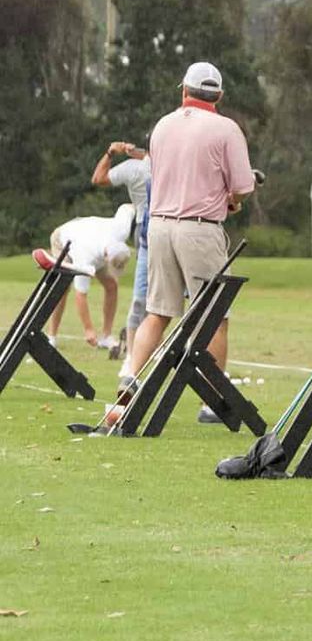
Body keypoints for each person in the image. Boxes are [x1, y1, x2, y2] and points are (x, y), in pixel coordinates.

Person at [125, 61, 255, 423]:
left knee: (159, 311)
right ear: (220, 96)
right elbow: (243, 186)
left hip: (160, 226)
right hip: (199, 228)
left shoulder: (162, 125)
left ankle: (132, 381)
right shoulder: (226, 128)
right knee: (214, 315)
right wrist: (233, 199)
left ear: (184, 90)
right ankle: (212, 401)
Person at [91, 139, 152, 373]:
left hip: (143, 230)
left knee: (144, 297)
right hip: (171, 229)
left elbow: (98, 178)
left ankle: (133, 357)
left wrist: (111, 152)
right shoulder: (166, 162)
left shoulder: (132, 168)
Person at [35, 204, 133, 347]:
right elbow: (81, 294)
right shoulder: (86, 257)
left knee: (112, 285)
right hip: (64, 240)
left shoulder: (122, 230)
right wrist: (88, 329)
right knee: (62, 288)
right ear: (106, 258)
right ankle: (51, 336)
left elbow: (128, 207)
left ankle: (106, 336)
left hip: (91, 236)